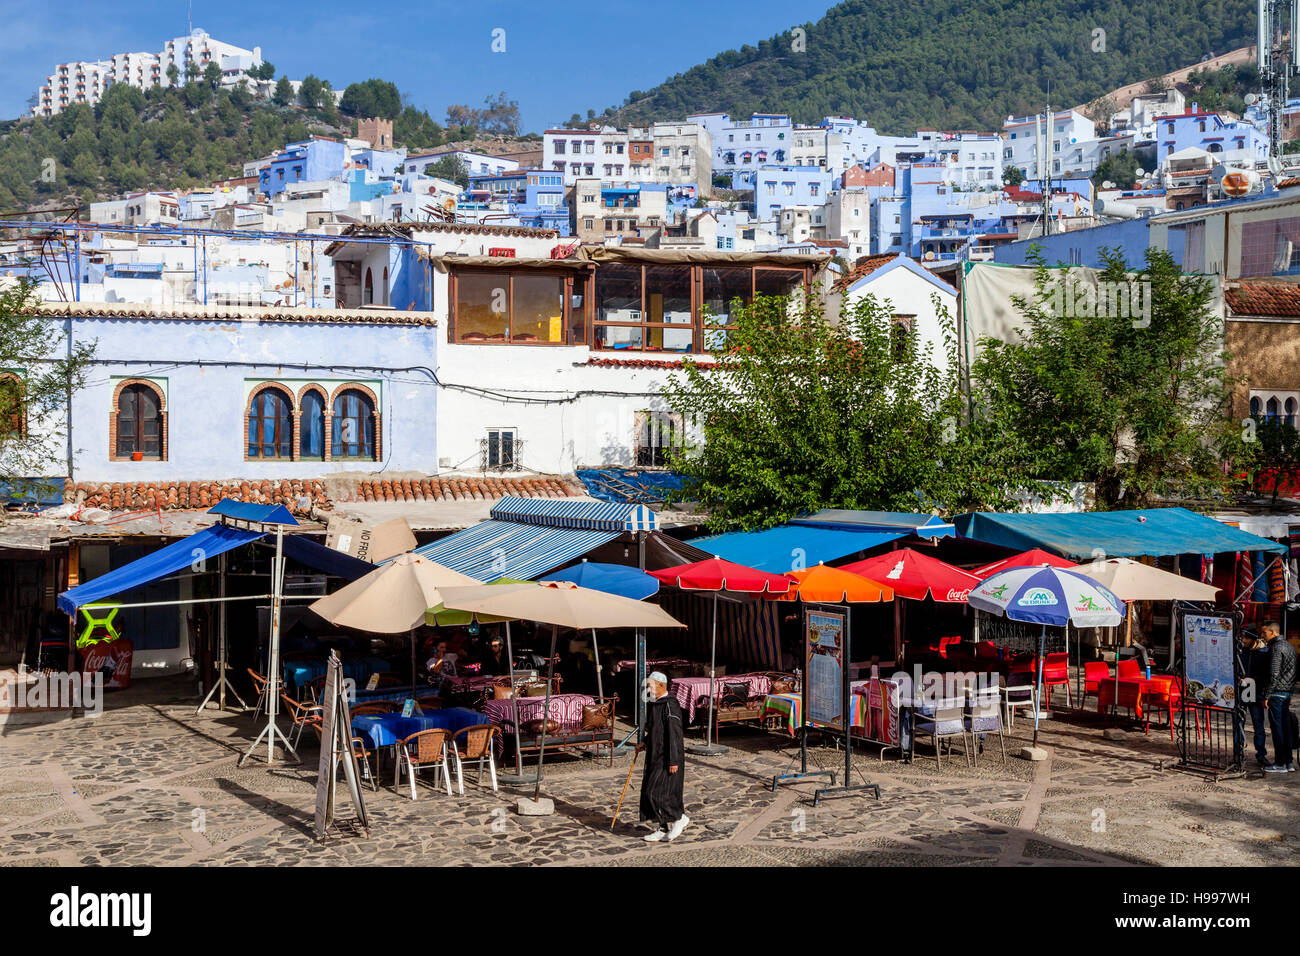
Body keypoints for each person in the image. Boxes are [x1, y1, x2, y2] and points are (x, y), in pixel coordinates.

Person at [636, 672, 688, 842]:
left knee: (658, 792)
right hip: (655, 755)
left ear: (661, 685)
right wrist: (644, 742)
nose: (648, 689)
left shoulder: (670, 706)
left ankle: (679, 819)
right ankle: (662, 827)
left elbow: (674, 735)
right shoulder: (656, 704)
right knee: (651, 791)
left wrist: (673, 760)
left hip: (668, 757)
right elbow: (654, 729)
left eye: (651, 686)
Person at [1260, 621, 1296, 774]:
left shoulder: (1276, 648)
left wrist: (1267, 695)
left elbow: (1274, 673)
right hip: (1287, 692)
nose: (1262, 636)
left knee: (1277, 728)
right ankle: (1288, 762)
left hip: (1276, 693)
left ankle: (1280, 763)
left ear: (1273, 632)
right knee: (1286, 728)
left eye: (1265, 633)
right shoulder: (1289, 646)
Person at [1234, 630, 1270, 770]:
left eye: (1245, 637)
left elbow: (1267, 674)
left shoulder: (1264, 653)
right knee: (1239, 722)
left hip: (1256, 690)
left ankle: (1261, 754)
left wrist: (1253, 679)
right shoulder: (1241, 651)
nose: (1242, 639)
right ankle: (1238, 753)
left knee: (1258, 724)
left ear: (1252, 639)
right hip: (1242, 689)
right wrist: (1239, 679)